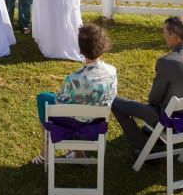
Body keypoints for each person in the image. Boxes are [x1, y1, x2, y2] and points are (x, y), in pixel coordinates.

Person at [111, 16, 183, 155]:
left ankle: (142, 148)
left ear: (173, 36)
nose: (163, 35)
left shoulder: (167, 62)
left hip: (170, 120)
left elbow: (154, 100)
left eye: (165, 32)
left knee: (115, 102)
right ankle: (151, 134)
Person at [31, 24, 118, 164]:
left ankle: (46, 150)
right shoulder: (112, 71)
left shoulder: (74, 79)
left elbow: (60, 104)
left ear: (80, 49)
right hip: (98, 123)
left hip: (75, 123)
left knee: (43, 98)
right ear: (103, 46)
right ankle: (79, 153)